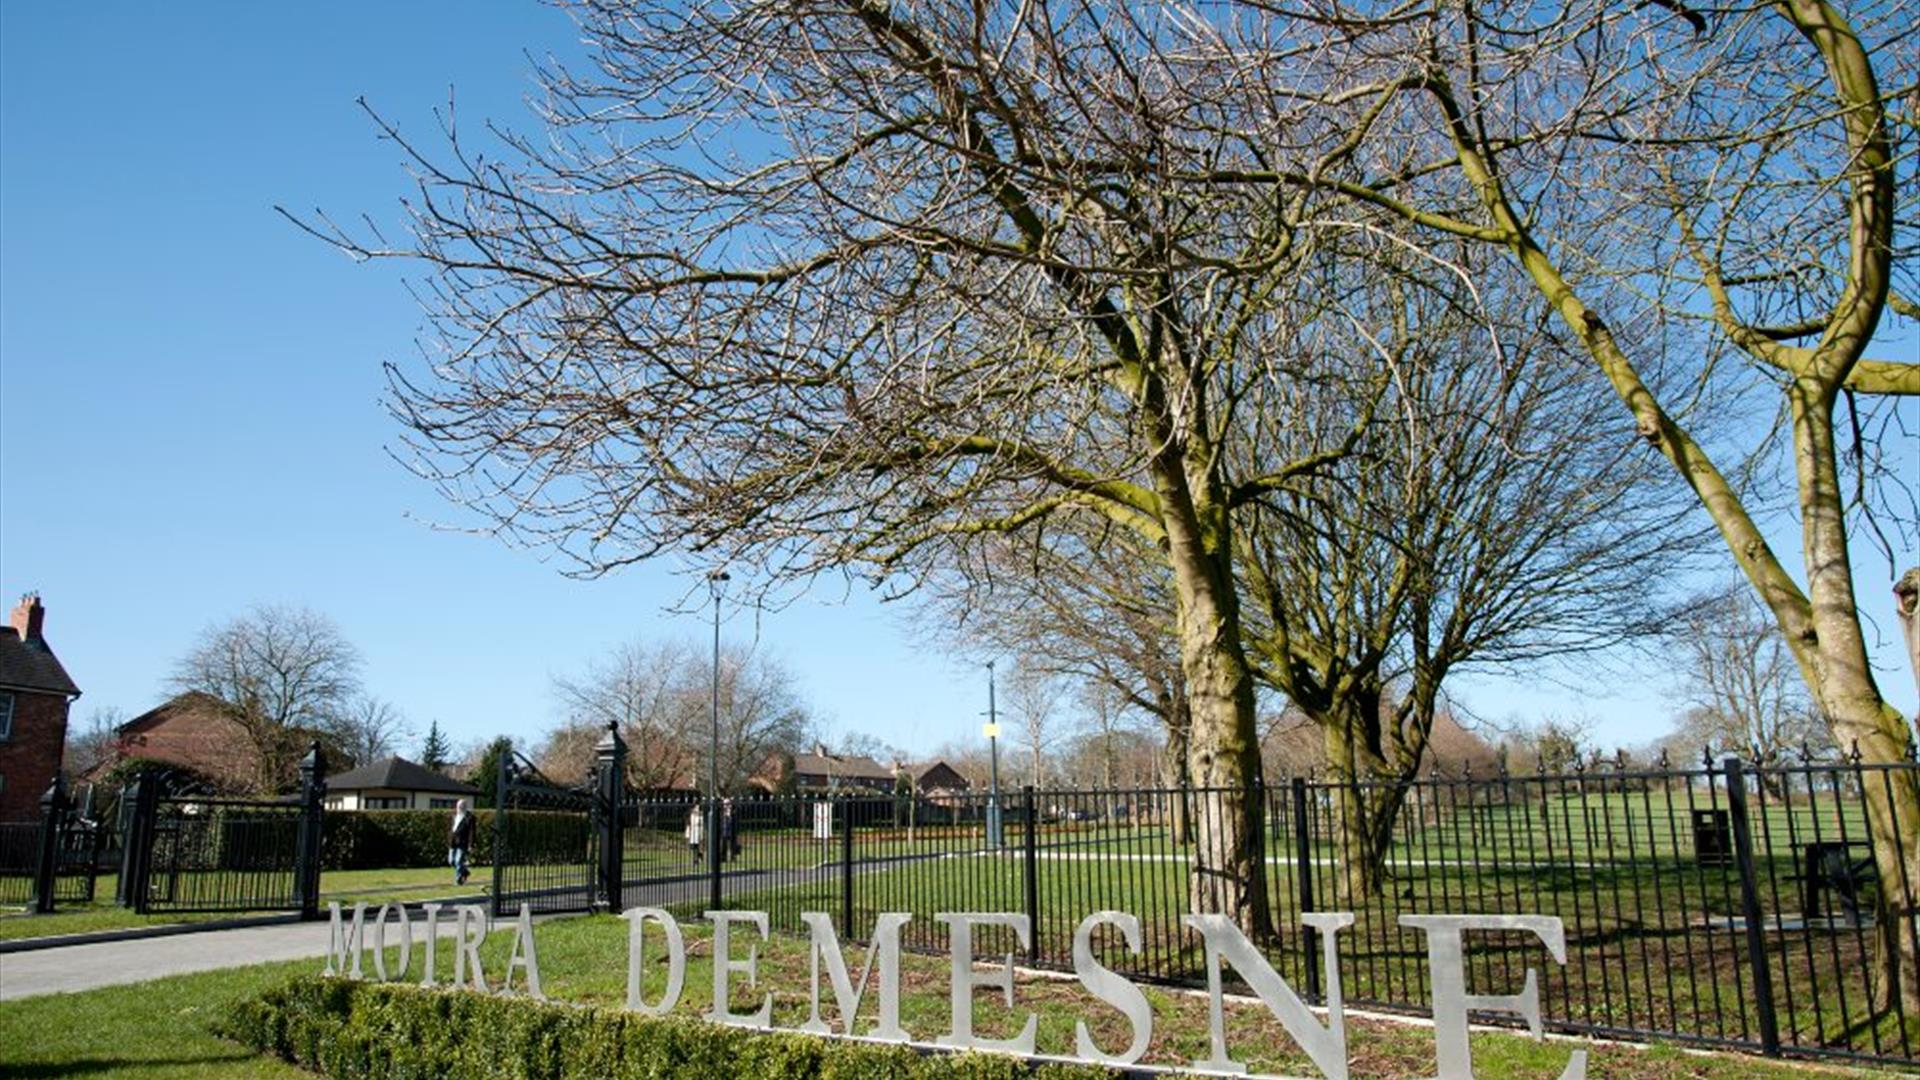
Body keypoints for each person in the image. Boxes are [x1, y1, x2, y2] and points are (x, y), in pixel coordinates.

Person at [448, 798, 476, 886]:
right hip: (453, 842)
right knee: (451, 861)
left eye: (461, 806)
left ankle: (458, 880)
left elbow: (472, 832)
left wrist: (471, 845)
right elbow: (451, 829)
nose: (459, 808)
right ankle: (465, 871)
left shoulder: (470, 817)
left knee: (458, 861)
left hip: (463, 842)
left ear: (465, 807)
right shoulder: (454, 815)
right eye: (458, 806)